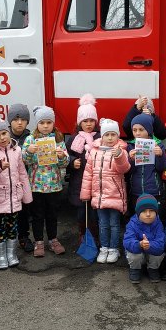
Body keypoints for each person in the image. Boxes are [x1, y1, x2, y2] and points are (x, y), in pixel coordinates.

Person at [0, 117, 33, 272]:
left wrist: (27, 195)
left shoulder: (16, 149)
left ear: (8, 132)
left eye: (4, 133)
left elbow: (22, 173)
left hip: (14, 197)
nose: (2, 138)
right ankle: (0, 256)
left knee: (12, 227)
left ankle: (11, 253)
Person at [81, 118, 131, 263]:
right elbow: (88, 174)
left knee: (114, 224)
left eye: (113, 134)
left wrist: (119, 156)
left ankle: (114, 248)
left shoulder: (121, 151)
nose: (110, 138)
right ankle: (104, 248)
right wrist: (85, 193)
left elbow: (124, 169)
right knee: (102, 224)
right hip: (99, 196)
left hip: (115, 195)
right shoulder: (94, 151)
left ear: (118, 136)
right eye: (107, 135)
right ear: (102, 136)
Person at [22, 106, 70, 256]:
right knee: (37, 215)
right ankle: (39, 241)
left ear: (53, 123)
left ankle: (53, 240)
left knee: (52, 215)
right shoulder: (30, 139)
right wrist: (29, 152)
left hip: (54, 185)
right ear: (37, 124)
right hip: (36, 186)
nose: (45, 126)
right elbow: (25, 161)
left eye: (49, 122)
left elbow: (65, 163)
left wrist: (61, 156)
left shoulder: (58, 139)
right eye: (42, 122)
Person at [67, 94, 100, 247]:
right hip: (79, 182)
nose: (88, 124)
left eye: (91, 120)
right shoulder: (74, 139)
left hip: (96, 182)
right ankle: (83, 235)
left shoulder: (100, 138)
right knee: (82, 213)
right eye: (85, 121)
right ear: (80, 122)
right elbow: (66, 156)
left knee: (95, 213)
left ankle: (95, 236)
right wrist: (72, 162)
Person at [126, 113, 166, 220]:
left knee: (155, 218)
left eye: (141, 129)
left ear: (149, 130)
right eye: (134, 130)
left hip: (154, 190)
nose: (137, 133)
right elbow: (128, 171)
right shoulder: (130, 146)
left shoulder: (158, 145)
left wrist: (160, 155)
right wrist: (131, 159)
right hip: (136, 191)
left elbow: (162, 168)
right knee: (138, 219)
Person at [8, 103, 34, 252]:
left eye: (23, 119)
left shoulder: (31, 138)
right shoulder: (4, 137)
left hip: (26, 182)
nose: (19, 123)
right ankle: (9, 240)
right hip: (9, 183)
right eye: (16, 119)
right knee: (10, 213)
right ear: (10, 121)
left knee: (24, 211)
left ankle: (24, 237)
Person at [123, 194, 166, 284]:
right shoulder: (132, 223)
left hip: (151, 252)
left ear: (156, 212)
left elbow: (161, 244)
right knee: (133, 254)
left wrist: (149, 245)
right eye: (144, 211)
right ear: (138, 213)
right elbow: (127, 241)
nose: (148, 214)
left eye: (151, 211)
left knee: (160, 253)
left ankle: (153, 268)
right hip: (139, 253)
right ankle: (135, 269)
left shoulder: (158, 224)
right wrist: (139, 244)